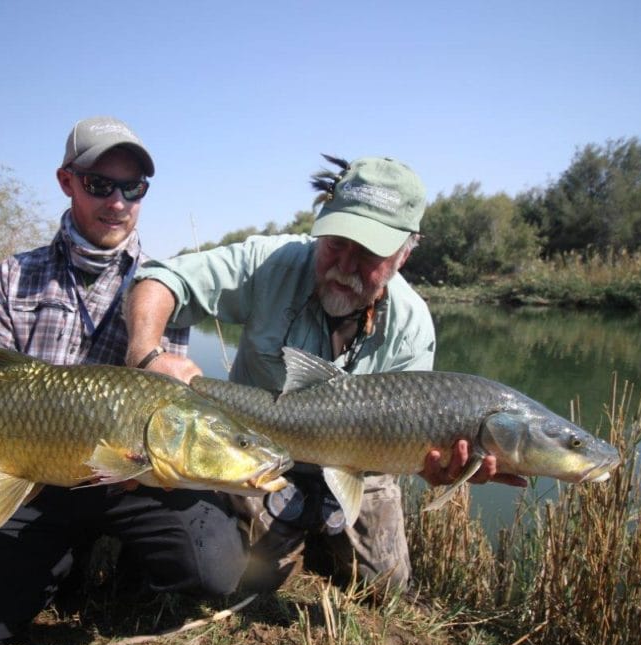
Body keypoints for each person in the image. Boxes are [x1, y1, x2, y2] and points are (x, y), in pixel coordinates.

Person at [0, 117, 248, 645]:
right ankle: (59, 559)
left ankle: (114, 555)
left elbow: (170, 406)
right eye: (100, 185)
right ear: (67, 181)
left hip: (129, 478)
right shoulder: (17, 275)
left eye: (132, 188)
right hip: (34, 480)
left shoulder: (165, 286)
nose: (118, 202)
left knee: (217, 571)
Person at [124, 154, 526, 593]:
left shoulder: (412, 325)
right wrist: (146, 353)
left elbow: (422, 443)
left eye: (369, 253)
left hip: (361, 468)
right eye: (336, 243)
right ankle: (289, 530)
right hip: (259, 449)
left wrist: (438, 468)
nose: (345, 265)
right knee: (245, 579)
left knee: (384, 588)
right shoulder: (270, 261)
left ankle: (317, 531)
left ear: (404, 254)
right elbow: (160, 279)